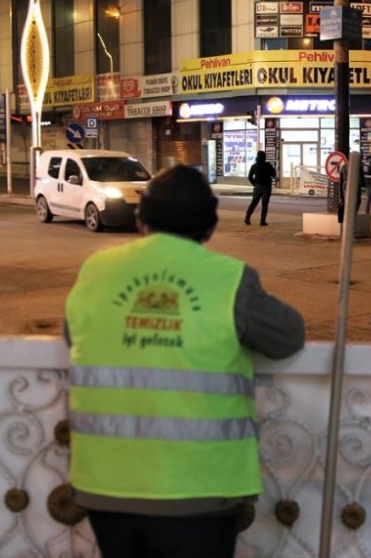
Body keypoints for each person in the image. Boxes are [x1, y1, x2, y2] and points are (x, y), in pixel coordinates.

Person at [64, 165, 305, 558]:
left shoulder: (97, 270)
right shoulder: (229, 279)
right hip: (201, 488)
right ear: (209, 228)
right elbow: (288, 337)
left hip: (105, 484)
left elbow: (74, 335)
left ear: (141, 219)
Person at [244, 150, 276, 226]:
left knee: (253, 203)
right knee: (264, 205)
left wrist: (254, 184)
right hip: (266, 187)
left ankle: (247, 218)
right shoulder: (268, 165)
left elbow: (249, 177)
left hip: (257, 187)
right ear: (264, 157)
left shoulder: (254, 166)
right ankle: (262, 221)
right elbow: (273, 175)